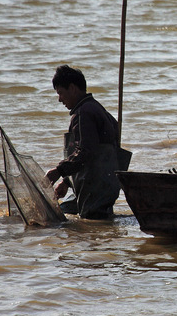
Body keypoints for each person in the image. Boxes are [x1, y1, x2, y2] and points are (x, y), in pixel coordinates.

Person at [45, 65, 121, 219]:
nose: (59, 99)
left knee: (92, 226)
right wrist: (66, 182)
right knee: (66, 211)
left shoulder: (83, 113)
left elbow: (85, 151)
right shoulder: (96, 108)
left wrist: (58, 171)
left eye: (60, 93)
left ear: (72, 88)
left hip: (94, 189)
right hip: (106, 187)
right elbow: (91, 151)